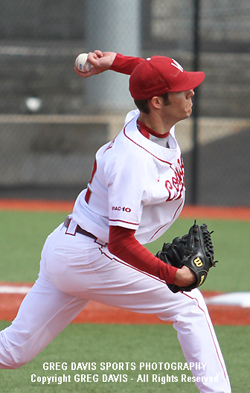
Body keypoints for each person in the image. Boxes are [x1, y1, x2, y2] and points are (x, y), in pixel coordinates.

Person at [0, 50, 231, 393]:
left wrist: (113, 61)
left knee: (13, 350)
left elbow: (145, 71)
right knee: (189, 302)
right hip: (92, 253)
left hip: (70, 246)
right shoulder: (132, 160)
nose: (191, 92)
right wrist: (173, 275)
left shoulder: (142, 117)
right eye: (183, 88)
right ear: (157, 102)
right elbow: (121, 242)